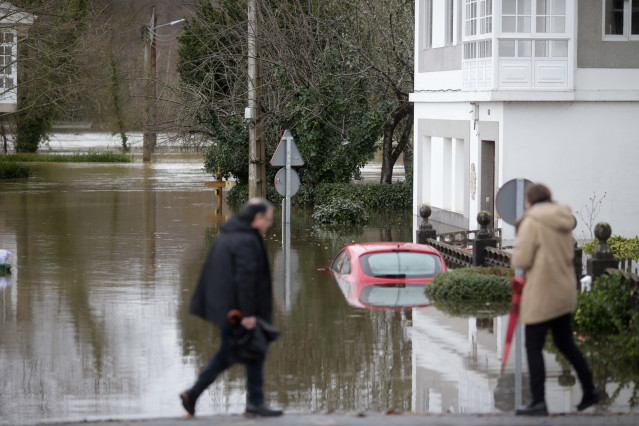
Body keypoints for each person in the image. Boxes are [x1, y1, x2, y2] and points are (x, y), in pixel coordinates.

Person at [180, 198, 283, 417]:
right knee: (232, 353)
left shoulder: (230, 234)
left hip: (225, 308)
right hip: (236, 312)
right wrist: (248, 314)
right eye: (268, 219)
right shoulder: (246, 240)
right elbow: (244, 278)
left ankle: (251, 402)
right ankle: (196, 394)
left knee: (252, 350)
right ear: (257, 218)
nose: (269, 224)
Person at [511, 183, 603, 416]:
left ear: (530, 202)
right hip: (564, 291)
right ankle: (590, 389)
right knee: (565, 344)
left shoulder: (532, 222)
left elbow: (520, 259)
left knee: (533, 347)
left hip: (541, 294)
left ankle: (538, 401)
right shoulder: (563, 220)